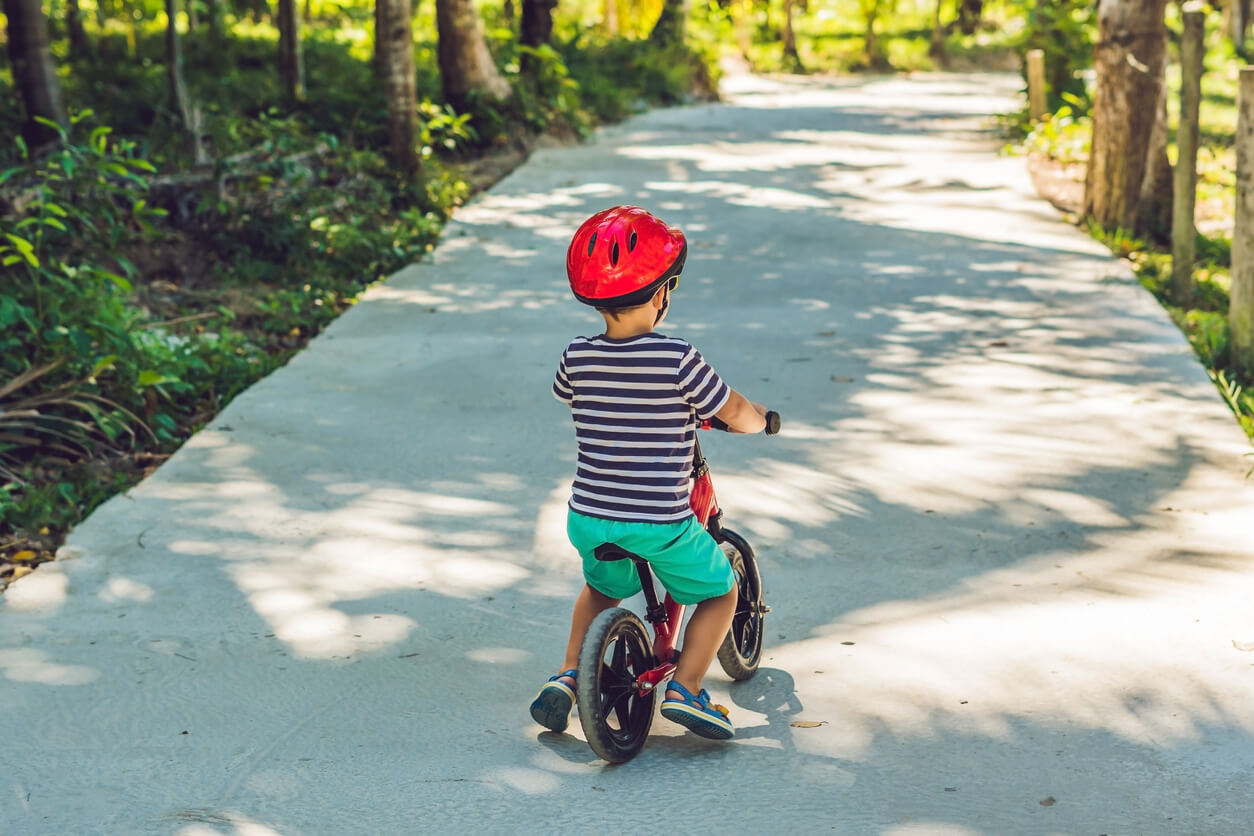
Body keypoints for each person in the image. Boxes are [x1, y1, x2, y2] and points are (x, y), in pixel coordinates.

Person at [530, 205, 768, 740]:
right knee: (721, 590)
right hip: (656, 520)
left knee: (599, 587)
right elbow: (731, 410)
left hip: (589, 518)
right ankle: (686, 688)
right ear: (663, 293)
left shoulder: (575, 355)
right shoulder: (678, 358)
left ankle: (568, 676)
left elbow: (566, 396)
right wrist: (760, 421)